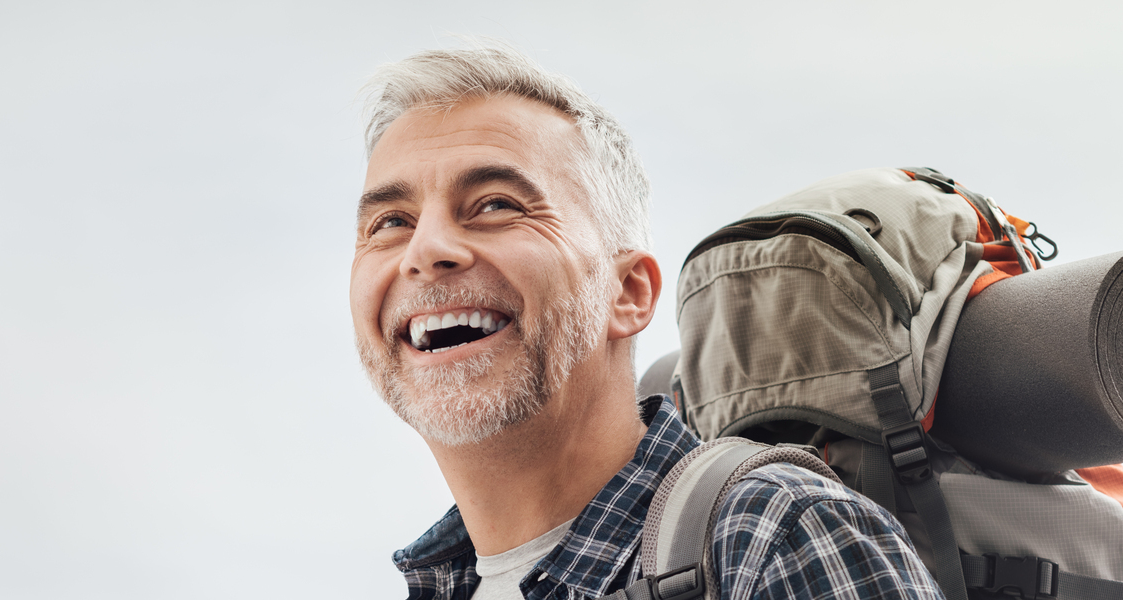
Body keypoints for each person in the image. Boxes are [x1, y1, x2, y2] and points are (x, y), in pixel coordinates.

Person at [348, 41, 946, 600]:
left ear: (627, 293)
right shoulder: (447, 581)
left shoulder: (775, 536)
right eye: (389, 223)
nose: (424, 250)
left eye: (497, 205)